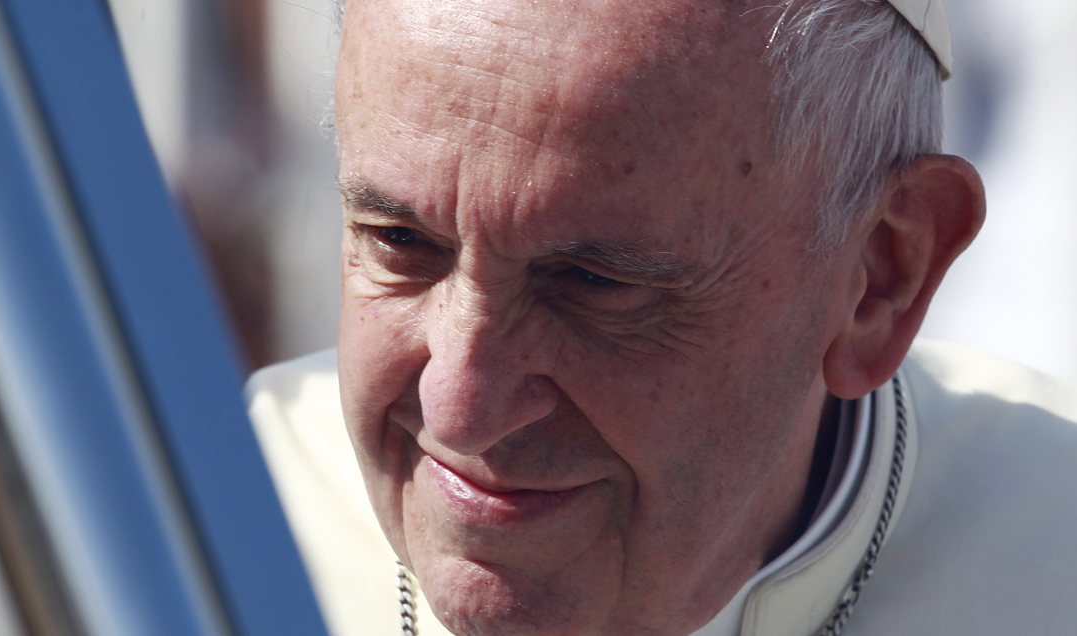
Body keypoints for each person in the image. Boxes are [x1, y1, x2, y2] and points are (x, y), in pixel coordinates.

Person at [245, 0, 1077, 635]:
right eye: (400, 242)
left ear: (880, 278)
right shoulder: (200, 511)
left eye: (591, 281)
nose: (463, 411)